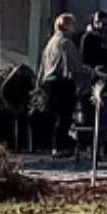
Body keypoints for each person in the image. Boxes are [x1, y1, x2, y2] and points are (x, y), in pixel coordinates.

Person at [37, 13, 88, 155]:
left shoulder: (50, 42)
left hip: (49, 82)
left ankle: (57, 145)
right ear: (65, 25)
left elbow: (42, 65)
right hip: (62, 82)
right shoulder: (65, 43)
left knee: (57, 115)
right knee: (64, 116)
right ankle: (61, 146)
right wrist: (88, 72)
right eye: (72, 24)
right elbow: (74, 66)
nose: (75, 27)